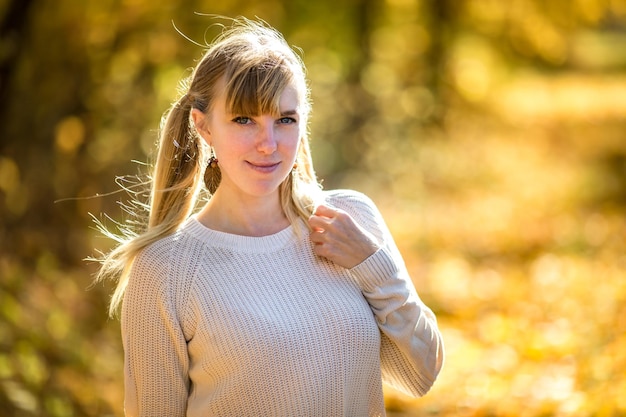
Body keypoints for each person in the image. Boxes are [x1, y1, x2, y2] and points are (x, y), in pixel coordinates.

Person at [96, 17, 444, 417]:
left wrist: (372, 264)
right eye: (244, 120)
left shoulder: (350, 219)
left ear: (303, 120)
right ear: (203, 126)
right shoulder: (165, 269)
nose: (268, 144)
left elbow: (422, 373)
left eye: (285, 120)